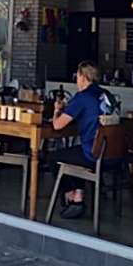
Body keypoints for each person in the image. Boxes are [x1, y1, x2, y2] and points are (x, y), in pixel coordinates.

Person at [48, 60, 106, 219]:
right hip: (112, 154)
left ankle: (72, 196)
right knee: (74, 155)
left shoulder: (82, 97)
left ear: (82, 76)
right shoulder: (105, 94)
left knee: (53, 157)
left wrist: (57, 110)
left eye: (77, 76)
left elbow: (57, 125)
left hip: (93, 154)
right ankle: (78, 197)